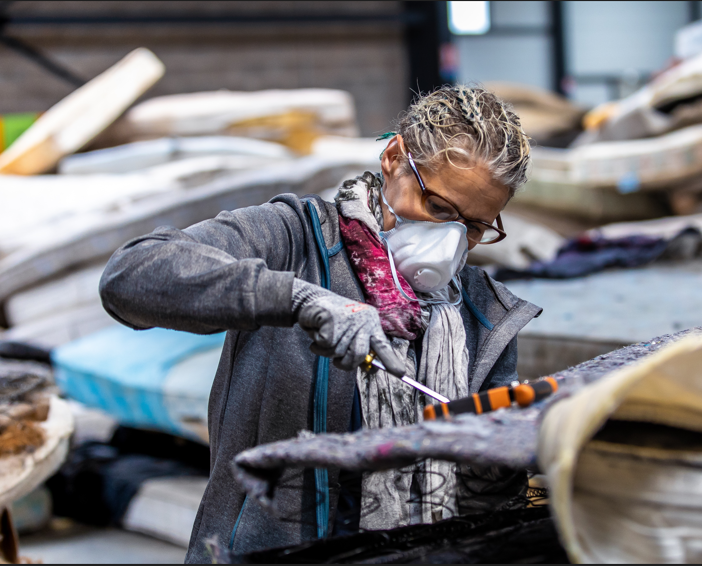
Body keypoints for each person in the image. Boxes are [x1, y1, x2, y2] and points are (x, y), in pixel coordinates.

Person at [99, 85, 541, 562]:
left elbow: (485, 499)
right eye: (438, 208)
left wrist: (510, 457)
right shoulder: (295, 239)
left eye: (473, 227)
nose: (450, 240)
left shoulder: (482, 313)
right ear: (394, 157)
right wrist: (296, 297)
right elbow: (131, 275)